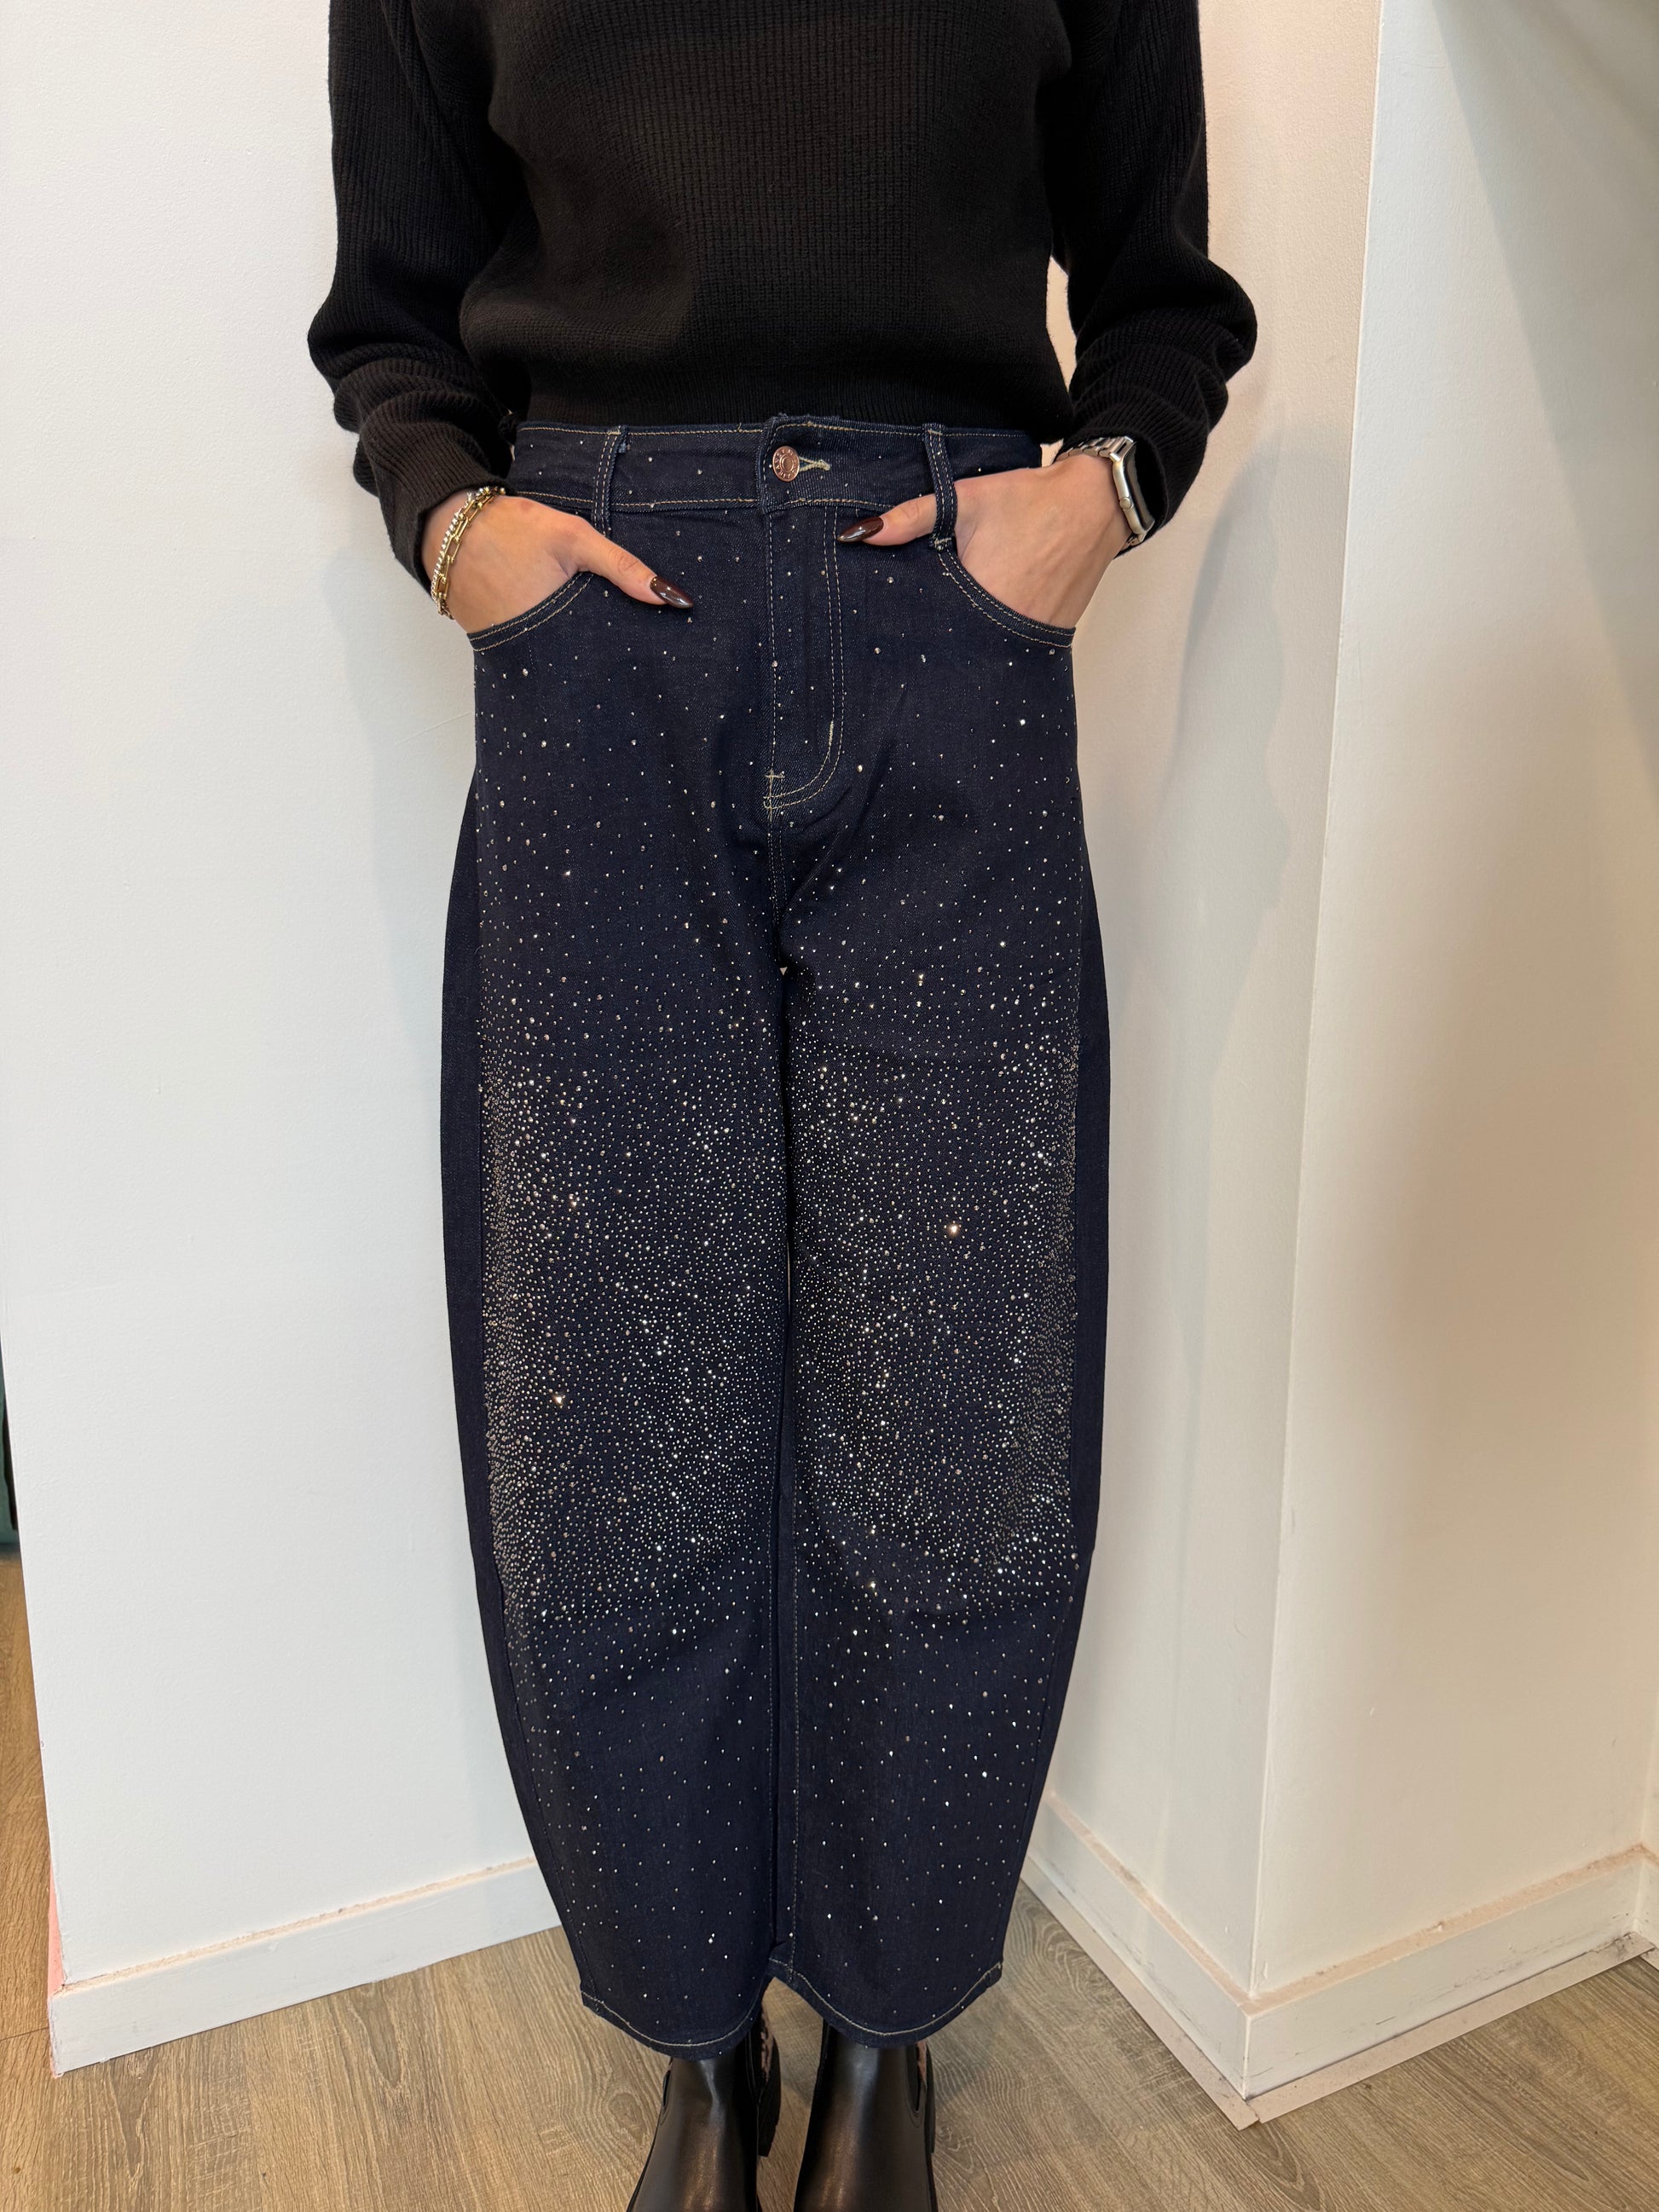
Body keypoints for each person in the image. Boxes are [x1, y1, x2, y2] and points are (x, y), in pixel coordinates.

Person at [310, 3, 1253, 2204]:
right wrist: (460, 523)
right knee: (608, 1412)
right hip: (596, 634)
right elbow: (394, 317)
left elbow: (1161, 296)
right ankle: (697, 2037)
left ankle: (887, 2029)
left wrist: (1092, 495)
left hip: (950, 621)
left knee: (962, 1393)